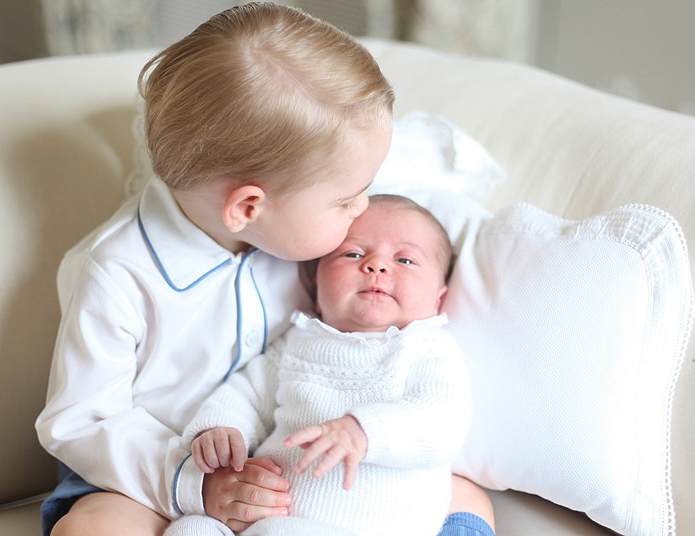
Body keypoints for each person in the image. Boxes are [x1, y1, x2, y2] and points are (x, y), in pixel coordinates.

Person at [35, 3, 494, 536]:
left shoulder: (298, 229)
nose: (362, 210)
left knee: (465, 495)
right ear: (249, 208)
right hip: (150, 476)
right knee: (91, 528)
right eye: (346, 198)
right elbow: (80, 422)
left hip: (291, 465)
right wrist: (195, 484)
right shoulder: (116, 274)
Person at [164, 195, 476, 536]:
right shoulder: (300, 340)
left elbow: (443, 421)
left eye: (405, 260)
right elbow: (249, 392)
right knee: (190, 528)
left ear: (438, 298)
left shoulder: (427, 348)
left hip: (364, 528)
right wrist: (221, 428)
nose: (377, 266)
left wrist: (365, 431)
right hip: (264, 519)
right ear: (315, 282)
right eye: (353, 254)